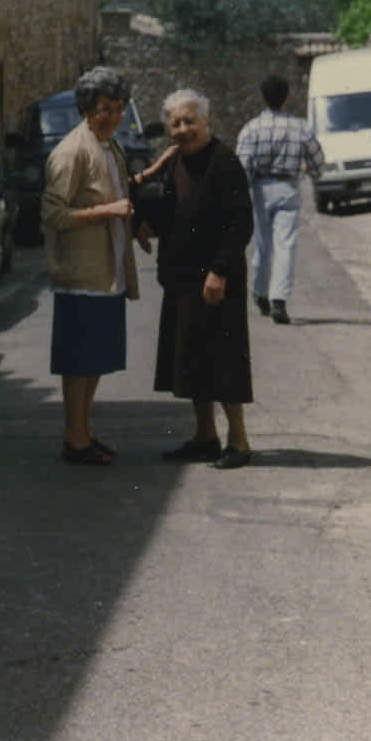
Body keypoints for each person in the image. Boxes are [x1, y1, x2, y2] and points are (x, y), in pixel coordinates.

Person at [41, 66, 164, 465]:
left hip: (106, 272)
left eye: (118, 108)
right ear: (86, 109)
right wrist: (106, 210)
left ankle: (82, 432)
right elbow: (53, 214)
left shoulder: (111, 147)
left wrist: (134, 227)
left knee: (93, 360)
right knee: (79, 362)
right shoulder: (72, 150)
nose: (112, 116)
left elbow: (118, 200)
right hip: (81, 275)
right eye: (104, 109)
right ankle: (73, 439)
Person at [142, 88, 257, 469]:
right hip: (183, 278)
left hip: (215, 282)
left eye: (189, 121)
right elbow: (168, 212)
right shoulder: (174, 163)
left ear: (206, 122)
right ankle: (205, 436)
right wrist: (145, 220)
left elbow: (241, 221)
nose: (182, 129)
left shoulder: (224, 163)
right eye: (175, 123)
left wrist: (220, 271)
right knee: (191, 360)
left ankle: (238, 441)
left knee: (224, 361)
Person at [234, 73, 324, 325]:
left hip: (262, 189)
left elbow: (242, 167)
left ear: (263, 98)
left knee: (262, 244)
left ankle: (259, 292)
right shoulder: (301, 128)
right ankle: (279, 300)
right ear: (287, 98)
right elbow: (317, 160)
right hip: (288, 187)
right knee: (286, 244)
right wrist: (314, 174)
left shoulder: (251, 129)